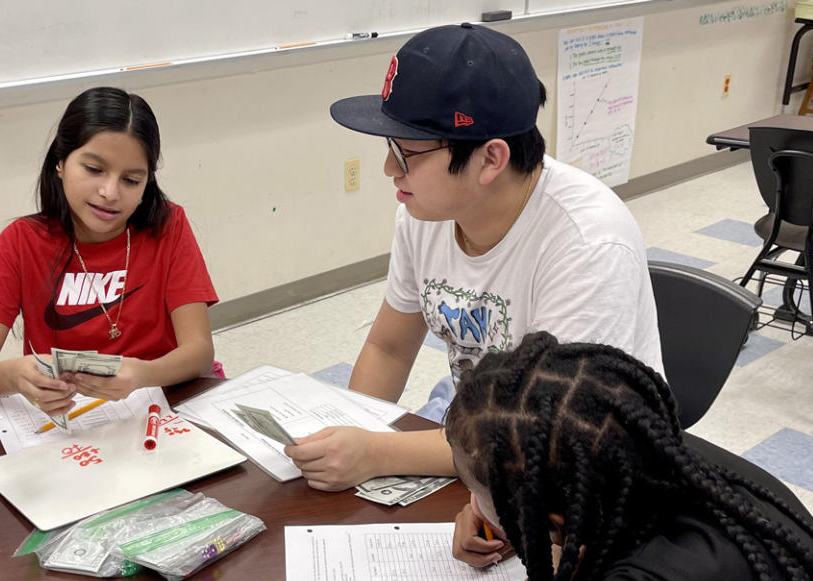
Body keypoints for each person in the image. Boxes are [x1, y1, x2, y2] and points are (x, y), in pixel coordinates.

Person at [284, 24, 662, 502]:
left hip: (575, 467)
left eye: (408, 153)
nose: (388, 169)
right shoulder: (424, 213)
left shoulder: (586, 244)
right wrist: (350, 433)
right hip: (477, 434)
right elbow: (389, 348)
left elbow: (548, 437)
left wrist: (376, 452)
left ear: (490, 160)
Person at [398, 332, 813, 581]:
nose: (470, 503)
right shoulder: (642, 451)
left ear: (549, 518)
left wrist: (541, 561)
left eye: (478, 494)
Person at [0, 87, 218, 416]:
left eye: (131, 180)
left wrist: (142, 374)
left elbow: (200, 352)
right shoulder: (21, 241)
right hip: (68, 417)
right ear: (60, 162)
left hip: (159, 403)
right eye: (93, 169)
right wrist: (13, 375)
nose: (109, 192)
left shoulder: (168, 225)